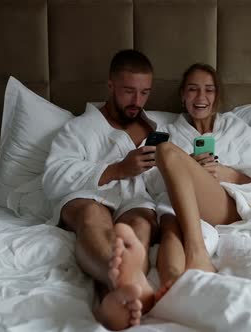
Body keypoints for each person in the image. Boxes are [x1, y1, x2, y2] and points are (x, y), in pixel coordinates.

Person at [107, 63, 251, 306]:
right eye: (193, 89)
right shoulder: (166, 131)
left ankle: (197, 251)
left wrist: (224, 173)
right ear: (182, 95)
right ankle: (172, 288)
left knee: (166, 152)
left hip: (224, 206)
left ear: (217, 95)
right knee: (169, 229)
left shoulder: (237, 129)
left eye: (209, 90)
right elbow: (148, 181)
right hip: (180, 208)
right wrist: (186, 169)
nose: (201, 97)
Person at [42, 49, 161, 330]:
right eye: (129, 91)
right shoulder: (79, 128)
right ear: (110, 86)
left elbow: (162, 179)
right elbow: (53, 176)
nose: (137, 101)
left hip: (134, 199)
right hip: (89, 195)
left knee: (141, 225)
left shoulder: (156, 128)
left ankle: (116, 298)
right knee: (93, 217)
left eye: (144, 93)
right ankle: (121, 284)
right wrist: (117, 170)